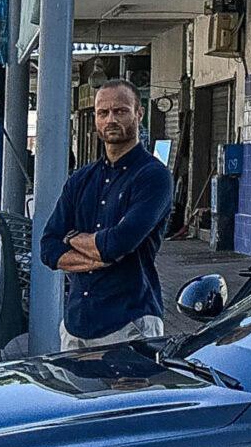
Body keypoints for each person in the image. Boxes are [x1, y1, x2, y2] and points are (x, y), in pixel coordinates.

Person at [37, 81, 174, 352]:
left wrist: (73, 237)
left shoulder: (153, 176)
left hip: (129, 324)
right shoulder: (81, 180)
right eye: (103, 113)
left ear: (139, 113)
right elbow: (48, 248)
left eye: (120, 111)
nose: (111, 119)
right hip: (75, 325)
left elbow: (117, 245)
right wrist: (97, 257)